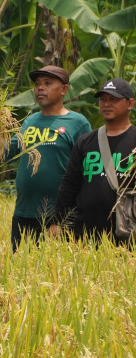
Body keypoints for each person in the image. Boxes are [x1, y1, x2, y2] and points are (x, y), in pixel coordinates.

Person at [6, 66, 90, 250]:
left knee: (54, 273)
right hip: (23, 212)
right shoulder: (30, 121)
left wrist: (64, 218)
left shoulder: (78, 123)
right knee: (19, 272)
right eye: (37, 84)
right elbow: (8, 151)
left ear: (64, 89)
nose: (40, 88)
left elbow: (86, 172)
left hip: (57, 217)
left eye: (48, 83)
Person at [50, 78, 136, 243]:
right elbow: (69, 185)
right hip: (84, 233)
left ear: (130, 104)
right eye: (103, 99)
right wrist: (57, 221)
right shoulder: (85, 141)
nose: (106, 104)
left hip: (127, 233)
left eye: (114, 99)